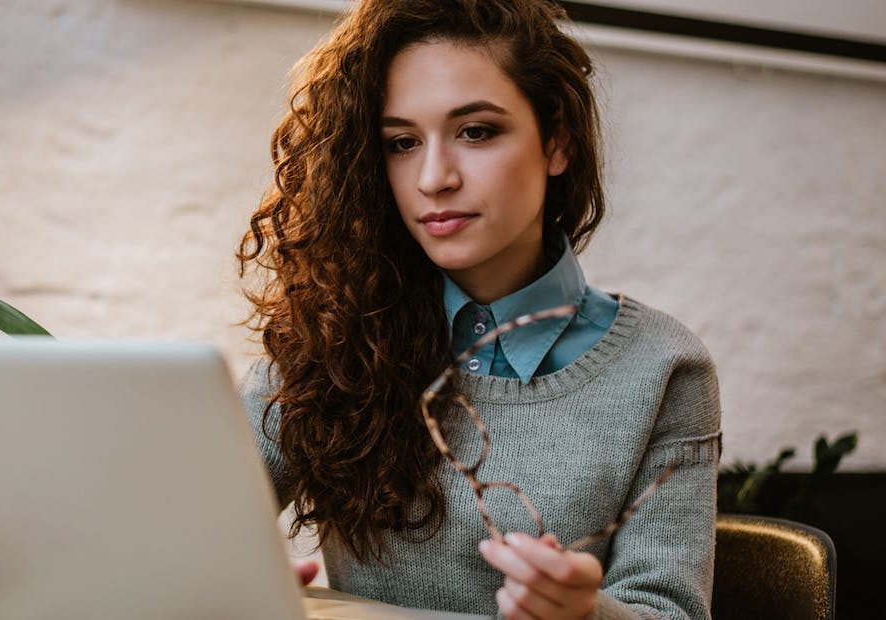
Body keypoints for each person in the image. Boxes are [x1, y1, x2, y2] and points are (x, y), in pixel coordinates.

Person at [236, 1, 721, 618]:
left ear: (557, 143)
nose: (434, 177)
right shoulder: (330, 335)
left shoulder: (665, 368)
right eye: (402, 142)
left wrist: (588, 613)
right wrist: (234, 570)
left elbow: (672, 610)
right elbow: (194, 517)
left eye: (476, 131)